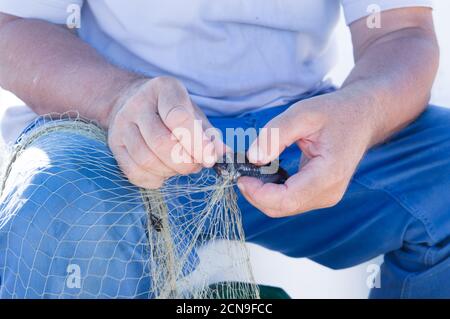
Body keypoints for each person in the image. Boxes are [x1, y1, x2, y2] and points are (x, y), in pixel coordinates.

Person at [0, 0, 449, 298]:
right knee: (59, 208)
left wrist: (363, 109)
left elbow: (401, 31)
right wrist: (116, 99)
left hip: (301, 137)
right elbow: (13, 26)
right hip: (115, 133)